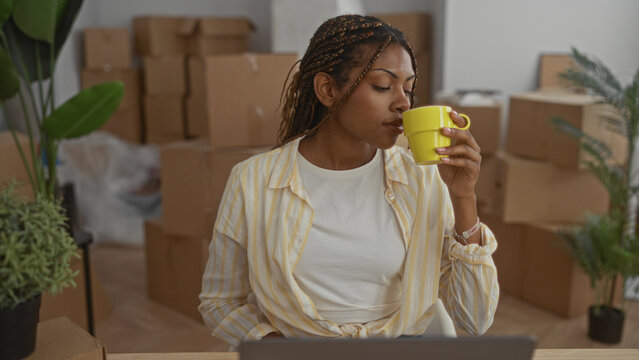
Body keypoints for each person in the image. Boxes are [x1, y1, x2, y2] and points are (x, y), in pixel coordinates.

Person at [198, 14, 499, 348]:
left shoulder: (422, 177)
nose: (403, 102)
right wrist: (275, 346)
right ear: (328, 89)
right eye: (383, 86)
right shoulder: (253, 181)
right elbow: (220, 302)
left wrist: (463, 199)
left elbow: (475, 319)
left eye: (409, 89)